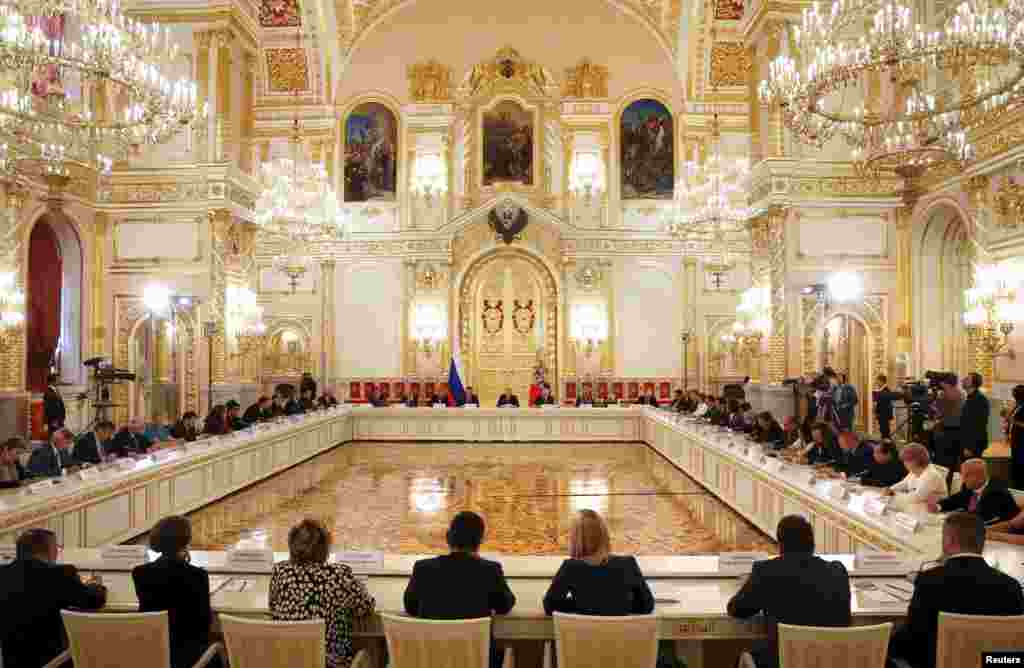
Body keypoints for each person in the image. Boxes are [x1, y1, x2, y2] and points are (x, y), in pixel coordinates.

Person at [888, 513, 1024, 668]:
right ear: (982, 543)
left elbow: (914, 638)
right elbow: (1014, 648)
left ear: (948, 541)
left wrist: (886, 640)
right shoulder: (1011, 586)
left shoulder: (929, 580)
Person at [727, 515, 851, 668]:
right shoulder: (837, 571)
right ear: (812, 543)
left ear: (780, 544)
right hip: (831, 662)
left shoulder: (766, 571)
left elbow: (736, 609)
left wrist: (751, 585)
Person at [270, 520, 375, 668]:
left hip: (287, 661)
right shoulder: (339, 574)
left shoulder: (279, 572)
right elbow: (365, 607)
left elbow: (273, 609)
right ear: (324, 548)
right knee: (370, 652)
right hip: (330, 663)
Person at [0, 528, 107, 668]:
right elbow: (94, 601)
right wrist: (97, 585)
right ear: (49, 549)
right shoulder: (61, 573)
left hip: (14, 662)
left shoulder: (2, 574)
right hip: (55, 661)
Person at [132, 516, 214, 668]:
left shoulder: (140, 573)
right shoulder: (197, 575)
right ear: (186, 541)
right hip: (189, 657)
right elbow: (204, 623)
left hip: (153, 653)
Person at [404, 511, 515, 619]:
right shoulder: (491, 570)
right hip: (474, 638)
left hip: (433, 637)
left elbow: (411, 608)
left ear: (448, 538)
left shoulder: (423, 569)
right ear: (480, 540)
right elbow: (504, 607)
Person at [543, 509, 654, 616]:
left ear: (576, 538)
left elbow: (550, 606)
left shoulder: (570, 567)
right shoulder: (628, 564)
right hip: (620, 634)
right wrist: (617, 604)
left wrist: (581, 604)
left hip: (583, 634)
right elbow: (647, 605)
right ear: (604, 534)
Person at [929, 459, 1020, 523]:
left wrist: (952, 517)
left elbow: (979, 517)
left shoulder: (996, 492)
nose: (963, 480)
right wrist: (938, 506)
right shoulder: (971, 486)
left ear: (980, 477)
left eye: (966, 476)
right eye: (963, 475)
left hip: (1001, 534)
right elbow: (956, 499)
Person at [882, 443, 948, 510]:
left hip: (932, 511)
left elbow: (916, 498)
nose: (904, 463)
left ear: (915, 461)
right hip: (919, 506)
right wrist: (891, 489)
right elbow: (904, 483)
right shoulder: (915, 471)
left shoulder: (932, 475)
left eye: (906, 460)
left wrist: (893, 494)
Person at [960, 372, 990, 459]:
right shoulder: (970, 397)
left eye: (967, 379)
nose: (963, 380)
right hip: (968, 443)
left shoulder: (979, 399)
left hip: (973, 445)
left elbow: (978, 425)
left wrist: (970, 447)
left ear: (973, 383)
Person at [1006, 384, 1024, 489]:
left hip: (1022, 442)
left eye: (1015, 392)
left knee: (1020, 465)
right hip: (1015, 440)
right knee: (1016, 465)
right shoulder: (1018, 405)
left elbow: (1019, 422)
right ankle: (1016, 487)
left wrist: (1013, 421)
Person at [873, 374, 901, 440]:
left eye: (877, 381)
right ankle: (885, 444)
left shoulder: (886, 390)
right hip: (881, 414)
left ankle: (887, 446)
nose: (876, 383)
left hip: (884, 414)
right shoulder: (881, 390)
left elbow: (885, 401)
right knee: (883, 431)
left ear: (881, 381)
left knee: (885, 432)